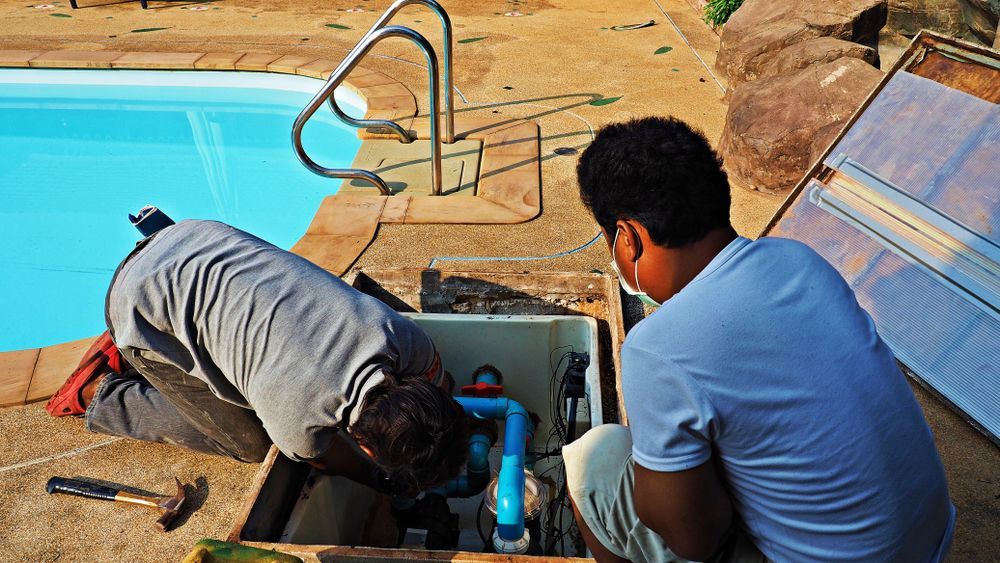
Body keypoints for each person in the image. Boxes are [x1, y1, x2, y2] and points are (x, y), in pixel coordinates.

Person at [564, 117, 954, 562]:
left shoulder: (657, 347)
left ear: (629, 238)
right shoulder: (798, 259)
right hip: (928, 543)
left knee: (594, 462)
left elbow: (694, 539)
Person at [46, 219, 468, 494]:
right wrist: (383, 482)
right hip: (135, 301)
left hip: (194, 237)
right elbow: (325, 460)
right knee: (250, 442)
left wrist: (466, 427)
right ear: (368, 449)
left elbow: (442, 387)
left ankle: (157, 326)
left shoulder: (405, 338)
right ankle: (101, 390)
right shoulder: (296, 422)